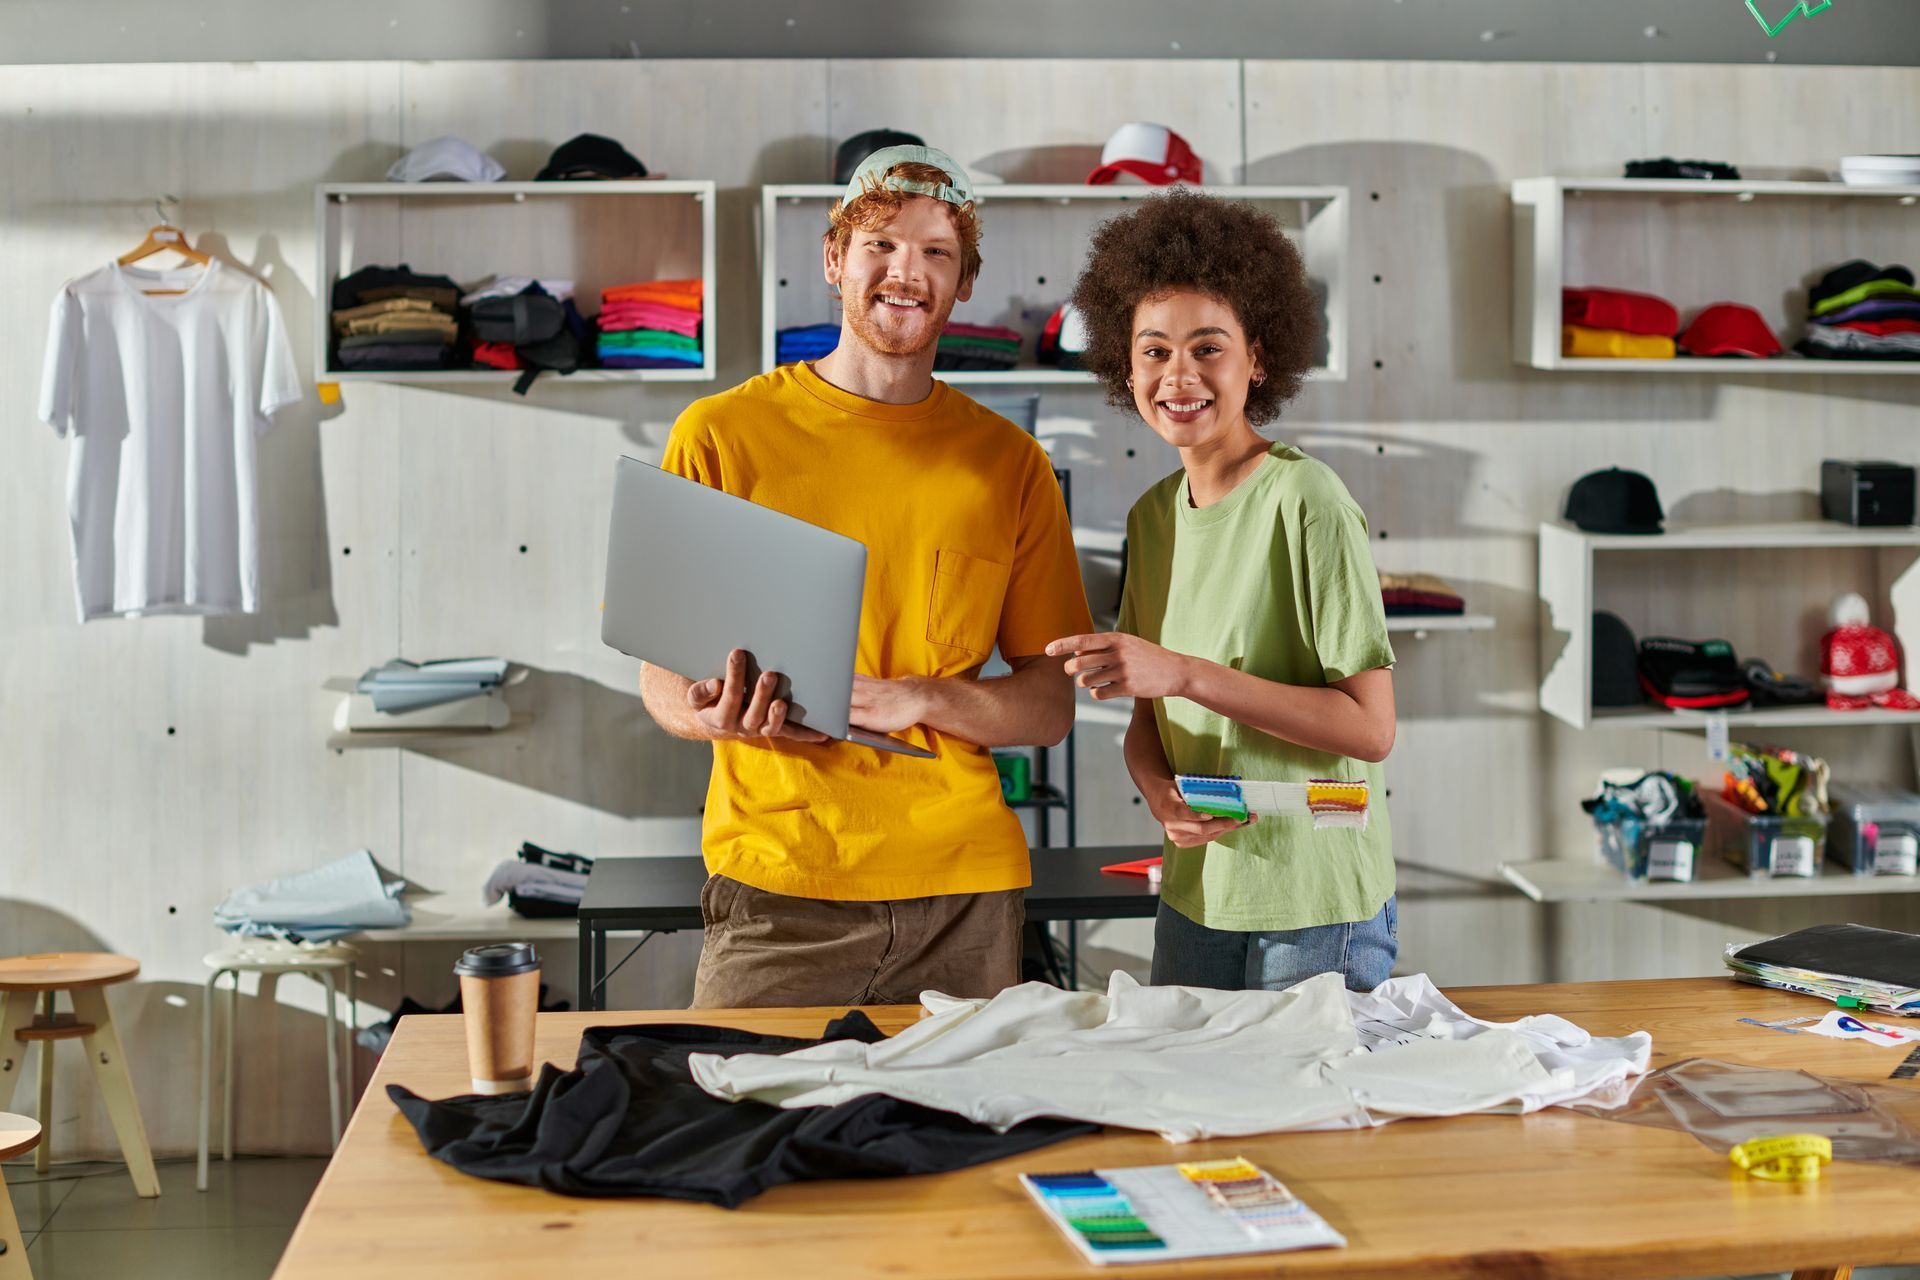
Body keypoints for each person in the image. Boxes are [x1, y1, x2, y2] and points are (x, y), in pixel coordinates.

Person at [639, 144, 1093, 1008]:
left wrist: (923, 698)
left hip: (967, 898)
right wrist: (710, 714)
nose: (905, 272)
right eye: (881, 243)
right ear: (833, 259)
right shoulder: (721, 435)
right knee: (744, 1135)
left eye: (936, 253)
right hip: (779, 886)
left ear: (962, 285)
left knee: (962, 1145)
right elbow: (659, 676)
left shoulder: (1010, 464)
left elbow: (1048, 705)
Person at [1047, 188, 1398, 993]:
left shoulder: (1307, 499)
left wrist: (1184, 672)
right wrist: (1159, 796)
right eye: (1153, 351)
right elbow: (1149, 725)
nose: (1179, 376)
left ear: (1258, 358)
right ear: (1122, 364)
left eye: (1208, 348)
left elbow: (1371, 731)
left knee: (1302, 1121)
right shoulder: (1154, 518)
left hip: (1314, 906)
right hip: (1198, 894)